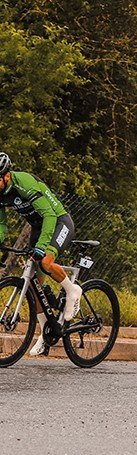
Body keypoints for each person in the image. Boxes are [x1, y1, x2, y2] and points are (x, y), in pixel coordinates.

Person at [0, 152, 83, 355]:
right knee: (36, 285)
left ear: (6, 176)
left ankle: (73, 290)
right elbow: (1, 224)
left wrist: (42, 246)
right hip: (38, 227)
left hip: (59, 221)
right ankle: (46, 334)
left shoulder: (25, 183)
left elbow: (48, 214)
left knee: (45, 261)